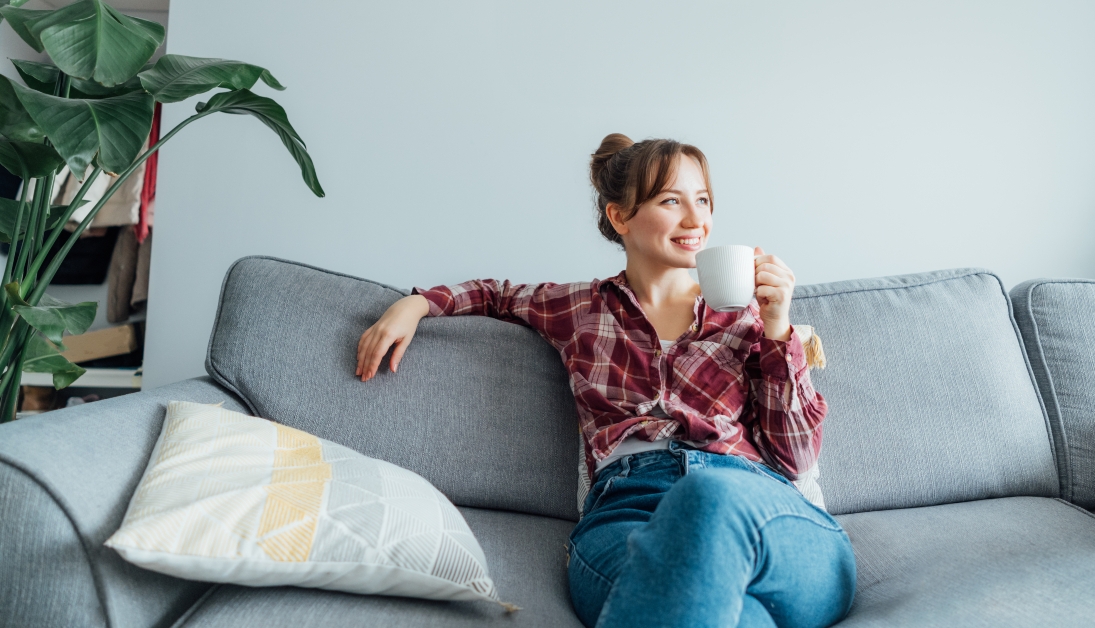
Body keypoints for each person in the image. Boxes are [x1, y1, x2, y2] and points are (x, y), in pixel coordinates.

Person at [355, 134, 856, 628]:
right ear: (620, 217)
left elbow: (795, 458)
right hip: (628, 510)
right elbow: (496, 295)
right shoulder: (581, 309)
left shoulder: (749, 319)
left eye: (703, 200)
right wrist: (417, 304)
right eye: (671, 201)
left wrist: (778, 329)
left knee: (709, 498)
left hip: (750, 502)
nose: (695, 219)